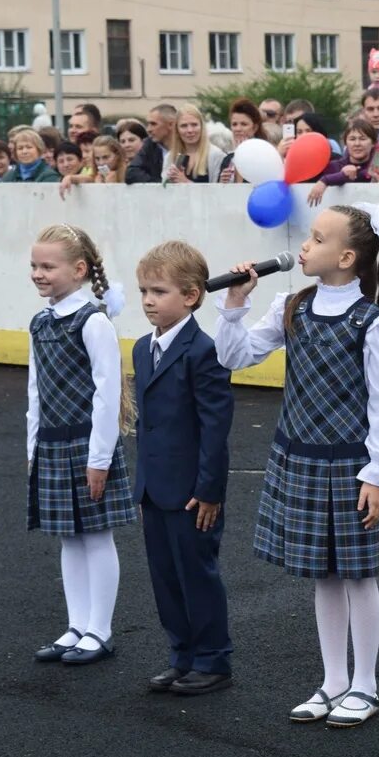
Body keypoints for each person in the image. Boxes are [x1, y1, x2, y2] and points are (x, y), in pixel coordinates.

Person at [215, 203, 379, 728]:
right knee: (323, 575)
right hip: (298, 458)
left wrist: (376, 473)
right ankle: (332, 681)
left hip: (348, 464)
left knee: (358, 574)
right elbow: (235, 357)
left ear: (346, 257)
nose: (304, 246)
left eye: (317, 239)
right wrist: (233, 304)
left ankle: (364, 684)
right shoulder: (290, 305)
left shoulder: (373, 320)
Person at [27, 224, 136, 665]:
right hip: (52, 445)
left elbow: (107, 395)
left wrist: (99, 458)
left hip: (87, 446)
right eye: (34, 265)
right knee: (68, 539)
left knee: (95, 537)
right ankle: (76, 625)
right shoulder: (40, 321)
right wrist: (32, 447)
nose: (38, 273)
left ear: (79, 269)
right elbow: (35, 389)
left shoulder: (92, 322)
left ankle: (100, 629)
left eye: (47, 266)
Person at [132, 241, 235, 696]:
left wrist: (209, 490)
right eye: (143, 291)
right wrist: (143, 485)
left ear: (191, 295)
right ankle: (182, 656)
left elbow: (215, 427)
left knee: (197, 575)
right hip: (155, 489)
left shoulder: (203, 350)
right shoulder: (141, 348)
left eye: (159, 291)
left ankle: (213, 659)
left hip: (193, 492)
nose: (149, 300)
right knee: (165, 577)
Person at [307, 119, 377, 205]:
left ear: (373, 143)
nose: (357, 143)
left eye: (363, 139)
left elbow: (365, 174)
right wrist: (339, 176)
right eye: (352, 139)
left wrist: (327, 180)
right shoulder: (333, 166)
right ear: (345, 143)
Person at [165, 105, 224, 184]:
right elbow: (164, 191)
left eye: (194, 125)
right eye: (184, 126)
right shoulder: (170, 156)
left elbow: (218, 193)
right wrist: (167, 181)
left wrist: (186, 182)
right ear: (177, 130)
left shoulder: (216, 155)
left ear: (202, 127)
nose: (190, 130)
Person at [217, 98, 268, 183]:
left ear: (255, 128)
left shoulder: (263, 156)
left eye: (244, 124)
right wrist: (222, 181)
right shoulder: (227, 159)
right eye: (234, 124)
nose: (238, 129)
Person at [126, 104, 177, 185]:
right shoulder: (150, 144)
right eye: (148, 124)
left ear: (171, 124)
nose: (148, 129)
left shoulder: (186, 145)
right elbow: (131, 173)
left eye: (153, 124)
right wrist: (162, 185)